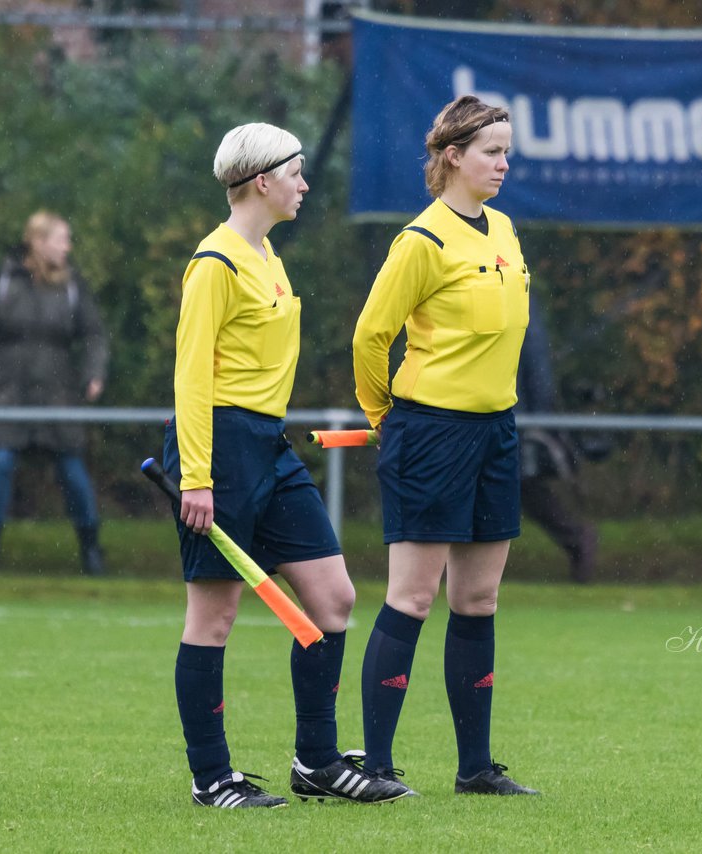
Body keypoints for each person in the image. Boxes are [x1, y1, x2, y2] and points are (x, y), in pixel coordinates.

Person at [162, 122, 411, 809]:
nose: (305, 185)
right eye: (296, 174)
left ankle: (317, 762)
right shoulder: (215, 262)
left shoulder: (266, 254)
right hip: (221, 449)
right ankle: (212, 778)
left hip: (268, 447)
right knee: (213, 618)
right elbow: (190, 376)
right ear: (263, 181)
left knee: (332, 599)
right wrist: (196, 476)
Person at [351, 95, 540, 796]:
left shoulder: (506, 229)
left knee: (480, 599)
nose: (503, 163)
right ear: (453, 157)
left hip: (495, 429)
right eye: (492, 151)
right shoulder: (421, 242)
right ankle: (373, 767)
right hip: (430, 430)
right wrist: (382, 415)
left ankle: (476, 769)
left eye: (507, 151)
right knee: (411, 597)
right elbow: (372, 335)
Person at [0, 211, 108, 576]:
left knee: (72, 470)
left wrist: (94, 373)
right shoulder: (3, 279)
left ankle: (91, 549)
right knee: (0, 464)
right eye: (61, 239)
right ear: (38, 241)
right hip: (7, 394)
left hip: (58, 396)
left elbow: (94, 335)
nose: (67, 247)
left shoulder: (73, 284)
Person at [515, 291, 599, 584]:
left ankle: (577, 538)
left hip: (510, 411)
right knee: (514, 487)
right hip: (499, 409)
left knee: (518, 485)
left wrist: (539, 416)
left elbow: (535, 356)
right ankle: (577, 538)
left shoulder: (515, 287)